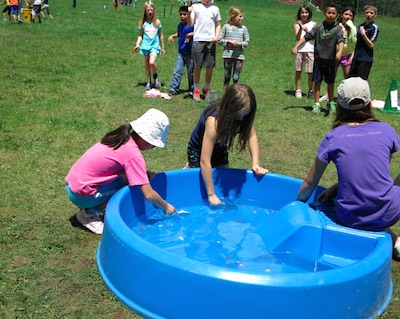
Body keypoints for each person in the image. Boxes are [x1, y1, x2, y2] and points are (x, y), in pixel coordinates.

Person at [296, 77, 400, 260]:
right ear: (369, 102)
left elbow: (310, 182)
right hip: (389, 212)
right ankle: (394, 241)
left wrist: (296, 205)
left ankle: (392, 238)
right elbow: (372, 170)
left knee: (369, 207)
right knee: (383, 195)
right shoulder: (386, 130)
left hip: (350, 217)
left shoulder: (333, 138)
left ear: (339, 105)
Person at [65, 109, 176, 235]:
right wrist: (166, 207)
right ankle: (89, 213)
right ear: (146, 138)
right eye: (153, 143)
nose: (154, 147)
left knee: (132, 180)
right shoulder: (133, 154)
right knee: (131, 186)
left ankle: (92, 207)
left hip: (73, 184)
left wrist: (144, 174)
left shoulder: (120, 138)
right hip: (82, 194)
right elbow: (148, 194)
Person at [186, 83, 268, 205]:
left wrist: (255, 163)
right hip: (198, 152)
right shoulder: (213, 122)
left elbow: (252, 135)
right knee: (202, 186)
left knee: (223, 181)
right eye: (240, 115)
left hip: (220, 147)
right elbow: (204, 160)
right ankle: (190, 168)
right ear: (230, 109)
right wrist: (211, 195)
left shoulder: (242, 116)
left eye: (245, 114)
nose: (241, 119)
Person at [292, 3, 344, 115]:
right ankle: (316, 104)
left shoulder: (338, 29)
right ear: (325, 13)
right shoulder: (318, 27)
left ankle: (331, 102)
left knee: (330, 83)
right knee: (317, 83)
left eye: (333, 13)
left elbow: (341, 41)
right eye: (329, 13)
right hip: (319, 61)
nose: (330, 15)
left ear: (336, 14)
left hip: (330, 61)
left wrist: (339, 52)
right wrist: (296, 47)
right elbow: (306, 37)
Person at [320, 6, 357, 103]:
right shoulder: (337, 25)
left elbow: (353, 41)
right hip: (335, 55)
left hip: (346, 55)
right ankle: (327, 95)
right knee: (331, 76)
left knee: (348, 77)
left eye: (350, 15)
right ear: (342, 15)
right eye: (346, 14)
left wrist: (352, 27)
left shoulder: (352, 28)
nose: (348, 17)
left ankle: (349, 96)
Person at [187, 0, 221, 102]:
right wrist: (188, 13)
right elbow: (190, 24)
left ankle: (206, 88)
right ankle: (196, 89)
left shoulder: (215, 9)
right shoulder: (196, 7)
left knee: (210, 66)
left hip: (210, 40)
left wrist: (216, 36)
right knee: (197, 66)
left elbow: (218, 24)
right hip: (198, 40)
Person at [134, 1, 165, 90]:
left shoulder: (157, 22)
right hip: (145, 46)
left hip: (154, 46)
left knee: (152, 62)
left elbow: (161, 35)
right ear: (145, 11)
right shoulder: (142, 23)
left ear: (154, 11)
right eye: (148, 10)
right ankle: (148, 81)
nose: (150, 12)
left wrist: (163, 47)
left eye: (151, 10)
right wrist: (137, 44)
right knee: (147, 65)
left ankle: (155, 77)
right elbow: (140, 35)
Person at [218, 6, 250, 93]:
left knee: (236, 78)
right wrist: (228, 42)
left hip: (239, 57)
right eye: (240, 16)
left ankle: (235, 95)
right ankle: (225, 95)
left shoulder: (243, 28)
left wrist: (239, 44)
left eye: (242, 16)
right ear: (233, 16)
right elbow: (219, 40)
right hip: (227, 56)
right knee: (227, 77)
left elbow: (247, 42)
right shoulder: (226, 27)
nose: (242, 18)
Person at [168, 5, 194, 95]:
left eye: (185, 14)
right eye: (181, 14)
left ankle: (192, 89)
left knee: (191, 72)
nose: (182, 16)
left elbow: (198, 32)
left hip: (190, 52)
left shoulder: (191, 25)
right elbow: (179, 34)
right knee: (177, 71)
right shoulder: (180, 25)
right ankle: (173, 89)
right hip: (181, 52)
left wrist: (190, 35)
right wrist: (172, 36)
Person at [348, 5, 379, 80]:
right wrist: (352, 56)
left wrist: (364, 34)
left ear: (375, 15)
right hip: (356, 57)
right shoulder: (361, 26)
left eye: (371, 13)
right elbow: (358, 43)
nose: (369, 15)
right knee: (350, 79)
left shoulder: (374, 28)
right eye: (367, 12)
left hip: (365, 59)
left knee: (361, 82)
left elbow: (371, 45)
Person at [293, 4, 316, 99]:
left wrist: (307, 31)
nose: (304, 14)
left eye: (306, 12)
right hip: (299, 50)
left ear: (309, 14)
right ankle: (298, 90)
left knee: (310, 72)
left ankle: (311, 90)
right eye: (302, 12)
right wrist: (300, 28)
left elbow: (314, 38)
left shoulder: (314, 24)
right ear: (299, 14)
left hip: (310, 50)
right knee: (298, 70)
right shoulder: (296, 25)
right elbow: (298, 37)